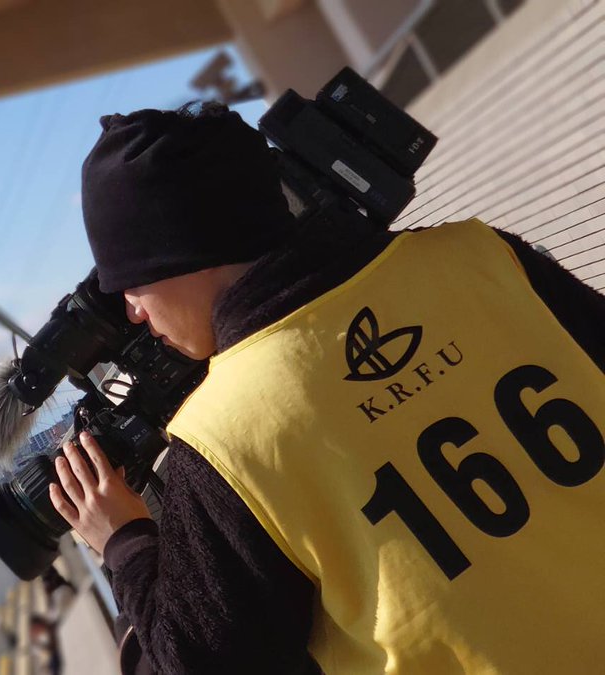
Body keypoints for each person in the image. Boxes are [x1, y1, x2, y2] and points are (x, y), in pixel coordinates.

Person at [46, 102, 605, 674]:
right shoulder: (483, 255)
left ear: (179, 253)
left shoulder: (224, 435)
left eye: (130, 283)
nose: (134, 312)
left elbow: (197, 663)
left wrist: (124, 543)